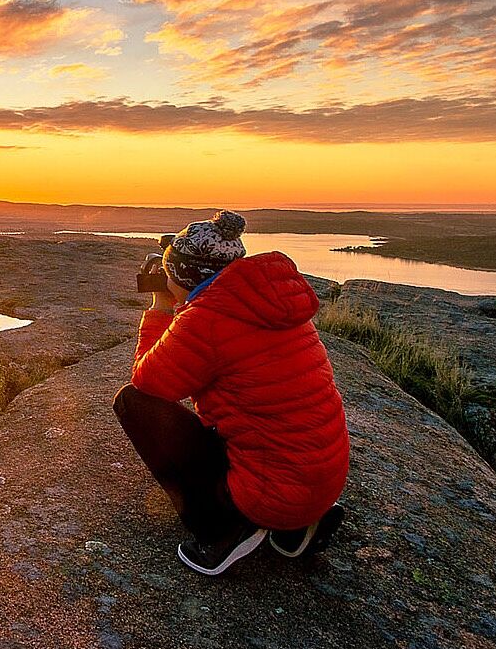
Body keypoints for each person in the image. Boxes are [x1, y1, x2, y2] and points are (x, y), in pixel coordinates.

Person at [113, 210, 349, 576]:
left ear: (183, 275)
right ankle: (298, 526)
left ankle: (224, 527)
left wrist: (161, 308)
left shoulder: (206, 319)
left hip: (270, 493)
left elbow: (149, 384)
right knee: (251, 426)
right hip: (321, 483)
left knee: (132, 403)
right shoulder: (268, 302)